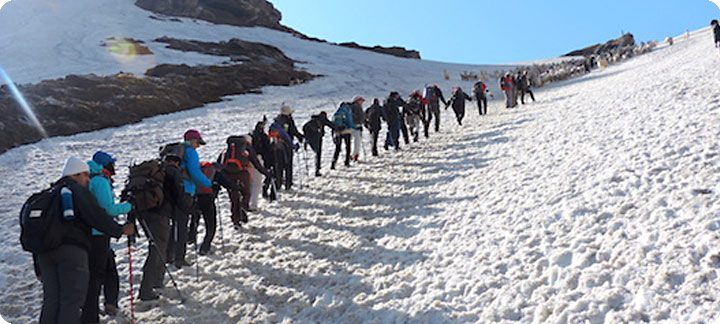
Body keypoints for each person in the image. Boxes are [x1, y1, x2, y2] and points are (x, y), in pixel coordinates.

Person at [37, 157, 133, 324]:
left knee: (52, 300)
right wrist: (120, 230)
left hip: (44, 253)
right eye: (85, 175)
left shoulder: (49, 194)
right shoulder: (76, 190)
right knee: (71, 299)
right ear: (76, 174)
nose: (88, 180)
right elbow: (97, 215)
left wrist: (38, 266)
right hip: (71, 250)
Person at [82, 151, 132, 322]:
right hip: (99, 234)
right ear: (105, 166)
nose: (114, 166)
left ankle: (106, 305)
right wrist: (128, 206)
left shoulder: (90, 178)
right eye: (111, 163)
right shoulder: (100, 181)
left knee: (106, 271)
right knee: (101, 274)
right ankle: (96, 311)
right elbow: (107, 209)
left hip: (92, 234)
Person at [138, 147, 184, 301]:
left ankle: (156, 282)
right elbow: (178, 195)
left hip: (145, 212)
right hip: (160, 215)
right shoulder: (173, 171)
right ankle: (147, 289)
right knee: (158, 250)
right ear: (177, 162)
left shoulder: (157, 171)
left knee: (156, 247)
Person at [173, 129, 212, 269]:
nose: (199, 146)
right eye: (198, 143)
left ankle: (170, 255)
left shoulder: (177, 151)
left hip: (172, 191)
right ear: (193, 141)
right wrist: (208, 183)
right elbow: (195, 173)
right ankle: (179, 258)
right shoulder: (191, 152)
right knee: (183, 226)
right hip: (186, 191)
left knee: (174, 225)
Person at [218, 135, 271, 229]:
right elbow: (257, 164)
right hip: (242, 174)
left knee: (234, 198)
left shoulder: (228, 149)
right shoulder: (247, 149)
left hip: (228, 174)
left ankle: (236, 222)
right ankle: (243, 207)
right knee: (246, 193)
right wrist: (267, 173)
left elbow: (219, 164)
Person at [189, 162, 239, 254]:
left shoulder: (198, 169)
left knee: (194, 220)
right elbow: (228, 184)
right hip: (207, 199)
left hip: (194, 198)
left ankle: (190, 239)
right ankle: (205, 247)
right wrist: (237, 187)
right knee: (211, 225)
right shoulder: (216, 172)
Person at [273, 104, 304, 190]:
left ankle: (278, 183)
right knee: (288, 165)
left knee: (279, 165)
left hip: (277, 146)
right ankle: (288, 183)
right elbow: (293, 131)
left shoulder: (277, 121)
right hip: (287, 146)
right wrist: (300, 137)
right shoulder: (289, 121)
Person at [302, 111, 336, 176]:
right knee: (318, 153)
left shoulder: (313, 119)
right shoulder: (323, 119)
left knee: (316, 152)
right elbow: (331, 125)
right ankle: (317, 170)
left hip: (309, 137)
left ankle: (317, 168)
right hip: (316, 137)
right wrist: (339, 126)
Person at [331, 102, 357, 169]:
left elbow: (333, 123)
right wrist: (355, 127)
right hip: (346, 131)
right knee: (348, 147)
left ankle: (333, 163)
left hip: (338, 132)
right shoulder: (347, 111)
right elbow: (350, 121)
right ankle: (347, 162)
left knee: (337, 148)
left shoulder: (337, 112)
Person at [349, 96, 366, 161]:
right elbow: (359, 116)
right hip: (356, 126)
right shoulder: (357, 106)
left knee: (351, 142)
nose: (362, 102)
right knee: (357, 142)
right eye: (361, 100)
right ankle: (355, 155)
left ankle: (351, 155)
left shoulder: (351, 107)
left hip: (351, 126)